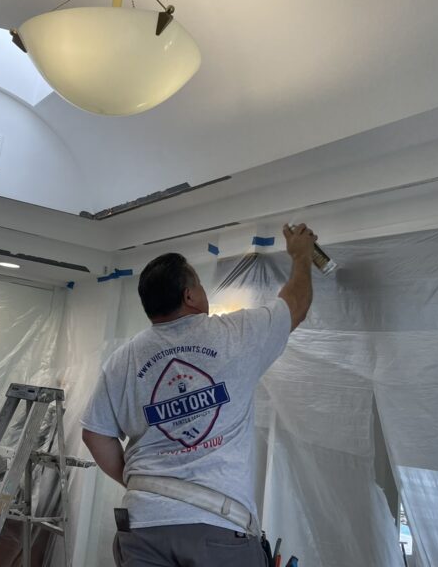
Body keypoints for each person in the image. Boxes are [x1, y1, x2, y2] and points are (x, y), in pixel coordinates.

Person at [80, 224, 317, 567]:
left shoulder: (124, 360)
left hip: (143, 526)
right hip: (217, 529)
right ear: (190, 296)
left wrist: (146, 483)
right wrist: (301, 256)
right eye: (200, 285)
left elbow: (94, 433)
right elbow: (295, 305)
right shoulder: (234, 335)